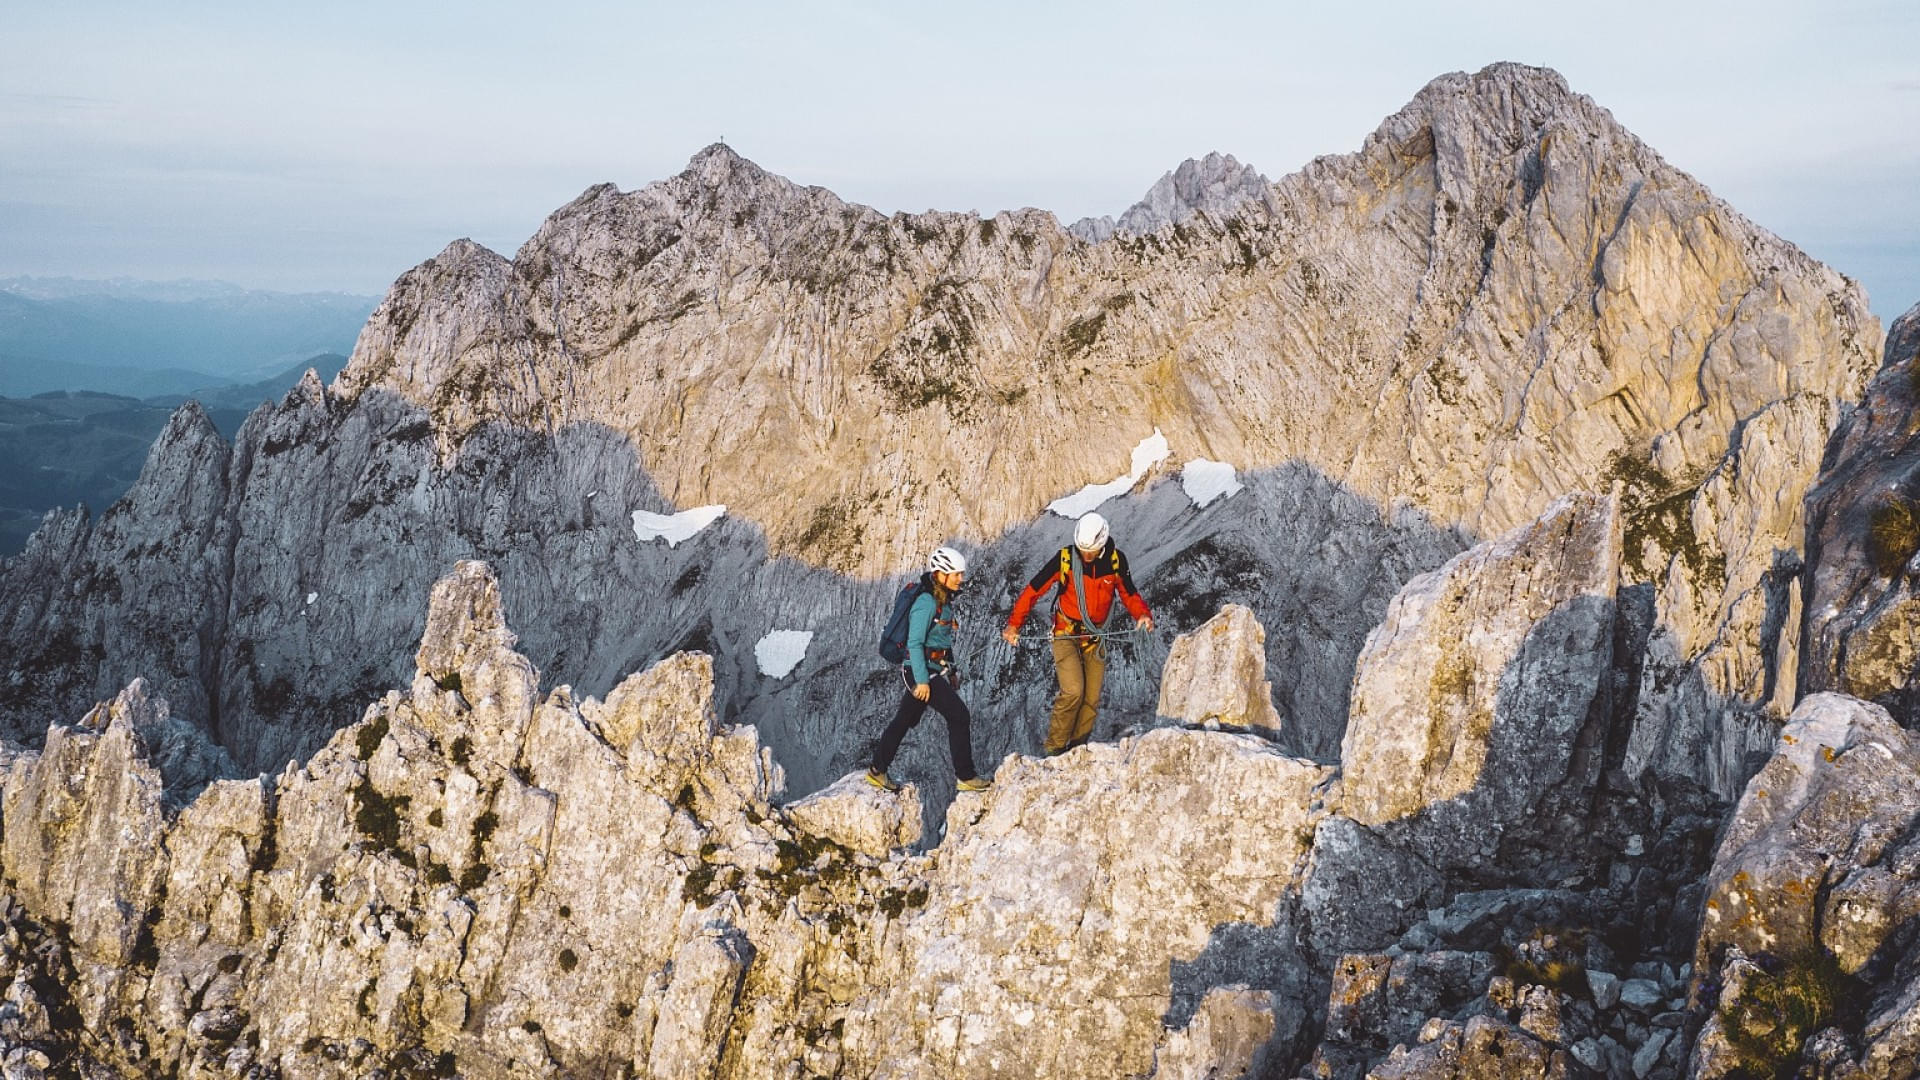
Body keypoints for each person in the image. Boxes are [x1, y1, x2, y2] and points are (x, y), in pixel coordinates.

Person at [1002, 511, 1153, 755]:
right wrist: (1014, 625)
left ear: (1102, 543)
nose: (1086, 555)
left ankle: (1076, 748)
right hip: (1066, 633)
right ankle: (1054, 748)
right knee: (1073, 690)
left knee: (1091, 700)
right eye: (1082, 550)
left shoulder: (1116, 562)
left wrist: (1143, 615)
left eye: (1090, 551)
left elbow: (1129, 593)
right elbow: (1034, 590)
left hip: (1096, 637)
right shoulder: (1065, 559)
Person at [869, 546, 991, 792]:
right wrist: (922, 681)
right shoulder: (927, 602)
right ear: (941, 574)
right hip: (918, 670)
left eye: (960, 574)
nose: (961, 579)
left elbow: (941, 642)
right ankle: (965, 776)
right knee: (959, 715)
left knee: (904, 719)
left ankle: (877, 770)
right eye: (956, 574)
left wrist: (952, 671)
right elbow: (914, 643)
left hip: (929, 669)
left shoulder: (943, 601)